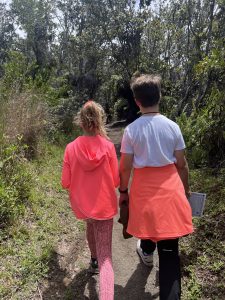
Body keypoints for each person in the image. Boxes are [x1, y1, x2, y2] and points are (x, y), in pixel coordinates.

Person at [119, 74, 193, 300]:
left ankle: (147, 252)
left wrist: (123, 191)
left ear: (136, 101)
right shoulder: (173, 127)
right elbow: (181, 164)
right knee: (170, 256)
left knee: (148, 223)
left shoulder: (131, 131)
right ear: (159, 96)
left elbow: (125, 168)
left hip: (144, 192)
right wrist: (186, 191)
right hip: (170, 192)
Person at [61, 100, 119, 300]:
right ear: (99, 120)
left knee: (90, 224)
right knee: (107, 260)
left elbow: (65, 182)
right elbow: (116, 180)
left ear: (81, 121)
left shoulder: (70, 148)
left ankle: (93, 259)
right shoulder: (109, 147)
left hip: (84, 206)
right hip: (104, 205)